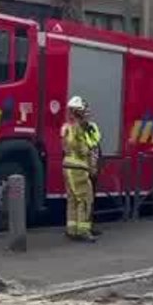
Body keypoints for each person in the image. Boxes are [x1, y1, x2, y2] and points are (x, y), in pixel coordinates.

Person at [61, 95, 96, 242]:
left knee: (72, 200)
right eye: (84, 110)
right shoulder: (78, 129)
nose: (87, 113)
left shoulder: (66, 127)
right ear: (78, 111)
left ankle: (72, 229)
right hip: (78, 168)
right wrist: (92, 160)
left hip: (67, 165)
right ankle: (83, 231)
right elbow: (83, 150)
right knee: (85, 199)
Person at [84, 111, 103, 236]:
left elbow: (96, 148)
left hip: (92, 169)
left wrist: (98, 166)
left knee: (90, 200)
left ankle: (89, 226)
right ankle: (84, 228)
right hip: (84, 170)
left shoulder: (92, 129)